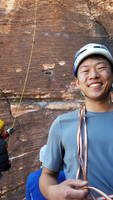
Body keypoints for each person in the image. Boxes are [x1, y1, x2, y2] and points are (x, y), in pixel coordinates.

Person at [39, 43, 113, 200]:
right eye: (85, 70)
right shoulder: (62, 125)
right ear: (77, 82)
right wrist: (52, 192)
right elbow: (47, 175)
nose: (93, 75)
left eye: (101, 68)